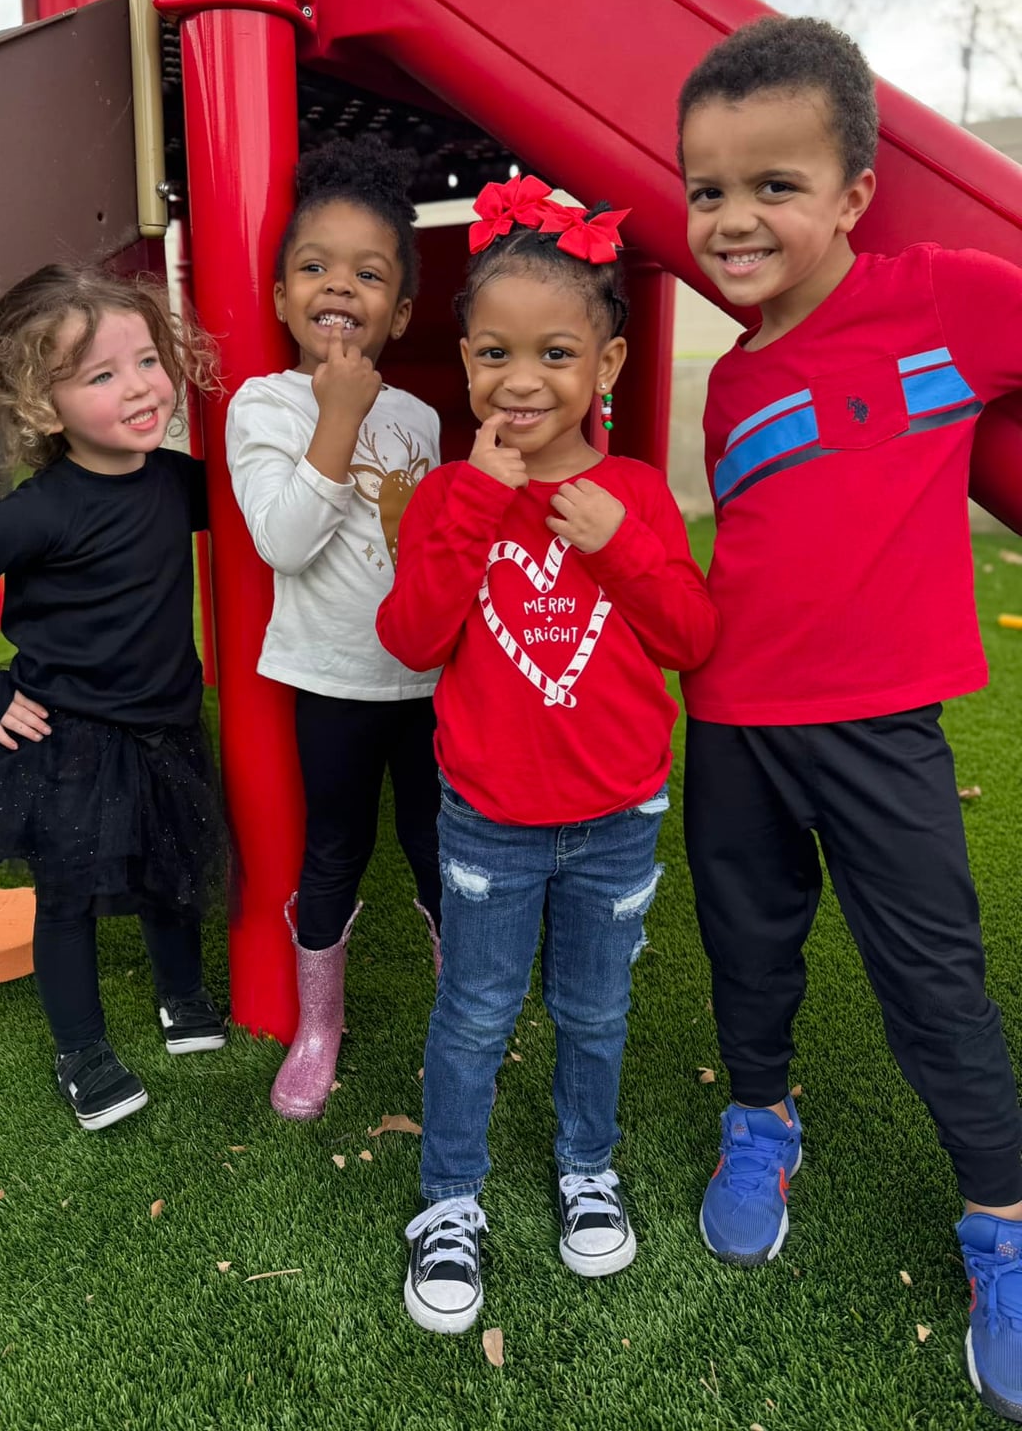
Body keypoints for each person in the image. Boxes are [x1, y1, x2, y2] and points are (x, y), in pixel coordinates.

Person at [677, 15, 1022, 1422]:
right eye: (707, 187)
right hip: (735, 725)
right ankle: (760, 1119)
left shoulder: (949, 298)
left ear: (853, 197)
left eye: (775, 184)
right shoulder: (731, 379)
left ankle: (1001, 1223)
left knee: (935, 978)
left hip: (883, 733)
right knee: (746, 943)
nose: (736, 217)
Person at [377, 175, 718, 1334]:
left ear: (609, 367)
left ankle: (587, 1168)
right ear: (465, 360)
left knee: (594, 1010)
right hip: (486, 821)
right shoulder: (450, 498)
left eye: (557, 353)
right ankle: (451, 1199)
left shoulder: (631, 494)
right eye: (492, 353)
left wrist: (621, 545)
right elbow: (412, 636)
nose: (521, 381)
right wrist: (475, 506)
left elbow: (690, 638)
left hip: (618, 816)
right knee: (472, 1013)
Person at [0, 264, 228, 1132]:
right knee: (69, 897)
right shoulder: (40, 510)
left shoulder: (177, 482)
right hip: (68, 739)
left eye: (147, 360)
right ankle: (81, 1049)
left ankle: (182, 997)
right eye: (101, 375)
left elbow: (255, 506)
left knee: (174, 867)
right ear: (46, 405)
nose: (140, 388)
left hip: (164, 726)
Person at [225, 136, 443, 1122]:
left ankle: (459, 1019)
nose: (338, 287)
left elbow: (432, 551)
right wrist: (337, 416)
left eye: (368, 272)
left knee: (442, 849)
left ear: (399, 309)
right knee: (334, 852)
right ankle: (319, 1027)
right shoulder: (262, 404)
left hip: (431, 685)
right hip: (336, 684)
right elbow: (283, 538)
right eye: (314, 266)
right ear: (280, 296)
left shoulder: (425, 418)